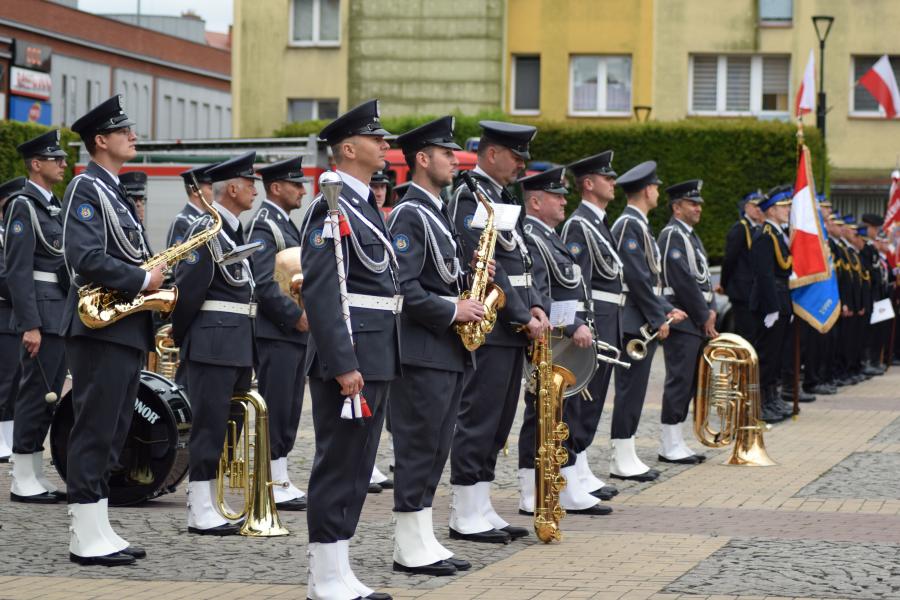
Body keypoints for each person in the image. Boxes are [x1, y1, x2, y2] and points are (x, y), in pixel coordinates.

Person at [300, 99, 398, 600]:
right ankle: (324, 574)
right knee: (339, 463)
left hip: (376, 352)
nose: (384, 146)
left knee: (358, 466)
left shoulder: (364, 205)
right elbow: (321, 290)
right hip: (354, 357)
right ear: (348, 148)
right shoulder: (330, 206)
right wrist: (342, 363)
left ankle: (338, 567)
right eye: (375, 139)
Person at [62, 95, 159, 566]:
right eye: (124, 132)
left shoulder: (114, 190)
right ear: (101, 141)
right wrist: (142, 278)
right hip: (100, 326)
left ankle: (99, 525)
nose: (132, 137)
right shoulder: (87, 190)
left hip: (125, 326)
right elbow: (85, 257)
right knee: (95, 428)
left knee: (116, 429)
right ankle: (84, 532)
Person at [387, 116, 478, 576]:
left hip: (444, 352)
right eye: (446, 153)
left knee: (437, 447)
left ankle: (422, 534)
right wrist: (453, 310)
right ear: (422, 159)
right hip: (420, 351)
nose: (454, 159)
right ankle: (408, 543)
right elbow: (403, 289)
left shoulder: (436, 212)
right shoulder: (409, 213)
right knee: (419, 446)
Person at [448, 120, 546, 544]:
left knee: (500, 421)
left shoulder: (500, 197)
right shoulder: (470, 198)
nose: (521, 165)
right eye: (515, 156)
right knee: (479, 418)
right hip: (491, 325)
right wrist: (524, 315)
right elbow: (484, 266)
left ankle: (482, 504)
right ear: (492, 155)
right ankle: (463, 510)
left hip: (513, 324)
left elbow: (524, 261)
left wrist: (537, 304)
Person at [171, 152, 259, 536]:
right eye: (250, 183)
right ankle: (199, 506)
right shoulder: (205, 230)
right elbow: (187, 292)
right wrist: (185, 337)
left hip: (236, 343)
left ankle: (212, 501)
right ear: (234, 188)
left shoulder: (234, 231)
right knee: (208, 427)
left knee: (228, 427)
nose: (256, 190)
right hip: (212, 343)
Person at [518, 166, 611, 516]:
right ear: (536, 201)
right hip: (553, 339)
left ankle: (560, 481)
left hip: (565, 340)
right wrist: (572, 325)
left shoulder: (548, 234)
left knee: (562, 411)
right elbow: (540, 293)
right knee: (542, 412)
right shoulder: (532, 235)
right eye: (556, 196)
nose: (563, 202)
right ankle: (532, 489)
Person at [609, 161, 686, 481]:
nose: (657, 192)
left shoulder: (638, 224)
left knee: (636, 390)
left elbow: (648, 280)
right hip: (632, 321)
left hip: (640, 317)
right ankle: (621, 457)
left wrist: (665, 308)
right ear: (646, 190)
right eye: (655, 187)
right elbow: (637, 278)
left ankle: (627, 452)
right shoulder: (629, 224)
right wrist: (659, 316)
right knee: (630, 390)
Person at [5, 130, 70, 503]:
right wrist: (29, 323)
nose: (63, 163)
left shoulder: (52, 205)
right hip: (40, 316)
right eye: (55, 158)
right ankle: (21, 477)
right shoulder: (22, 206)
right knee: (33, 393)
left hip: (57, 310)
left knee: (47, 396)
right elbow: (17, 271)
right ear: (36, 164)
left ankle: (34, 472)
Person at [246, 156, 310, 512]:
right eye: (296, 184)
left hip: (293, 331)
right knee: (277, 405)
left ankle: (280, 474)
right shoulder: (264, 226)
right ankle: (269, 478)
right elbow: (264, 283)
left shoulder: (285, 223)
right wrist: (295, 317)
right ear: (276, 187)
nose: (303, 189)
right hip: (277, 332)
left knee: (290, 407)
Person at [560, 150, 622, 501]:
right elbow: (576, 281)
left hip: (606, 320)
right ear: (588, 183)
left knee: (595, 399)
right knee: (580, 400)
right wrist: (579, 323)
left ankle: (580, 466)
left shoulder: (598, 223)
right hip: (592, 321)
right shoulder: (579, 225)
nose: (613, 182)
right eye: (606, 177)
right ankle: (570, 470)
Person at [657, 180, 715, 464]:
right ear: (677, 207)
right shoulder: (672, 234)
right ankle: (669, 442)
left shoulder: (690, 235)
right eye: (693, 203)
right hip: (682, 318)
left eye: (699, 203)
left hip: (696, 319)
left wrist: (711, 309)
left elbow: (703, 278)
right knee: (679, 380)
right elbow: (682, 280)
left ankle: (678, 439)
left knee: (691, 381)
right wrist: (704, 315)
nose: (699, 208)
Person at [750, 185, 794, 422]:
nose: (787, 210)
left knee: (777, 355)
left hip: (781, 299)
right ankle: (760, 403)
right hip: (771, 303)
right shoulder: (765, 235)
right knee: (766, 356)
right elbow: (764, 274)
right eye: (783, 207)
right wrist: (772, 308)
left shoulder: (778, 234)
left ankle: (772, 397)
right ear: (771, 210)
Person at [0, 176, 27, 464]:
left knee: (16, 382)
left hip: (16, 313)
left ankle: (7, 437)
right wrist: (24, 290)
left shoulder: (12, 234)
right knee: (4, 381)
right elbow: (4, 277)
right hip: (4, 313)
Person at [721, 190, 764, 343]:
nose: (759, 208)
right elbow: (729, 259)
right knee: (747, 335)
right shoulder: (740, 228)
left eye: (760, 205)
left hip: (752, 292)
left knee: (754, 335)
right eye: (754, 205)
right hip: (742, 291)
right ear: (746, 207)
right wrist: (724, 284)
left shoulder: (757, 228)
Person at [166, 163, 217, 247]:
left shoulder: (209, 218)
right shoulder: (182, 222)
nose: (214, 192)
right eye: (211, 188)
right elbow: (179, 259)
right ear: (195, 191)